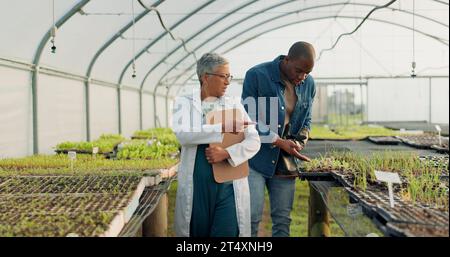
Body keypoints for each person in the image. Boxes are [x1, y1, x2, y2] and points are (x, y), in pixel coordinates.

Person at [172, 53, 261, 237]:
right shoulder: (185, 103)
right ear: (205, 77)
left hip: (229, 185)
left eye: (229, 76)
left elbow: (254, 141)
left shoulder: (235, 104)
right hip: (197, 187)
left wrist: (227, 153)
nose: (228, 81)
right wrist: (222, 127)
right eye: (223, 76)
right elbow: (183, 135)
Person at [241, 42, 316, 237]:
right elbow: (249, 119)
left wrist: (299, 142)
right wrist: (278, 141)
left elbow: (307, 119)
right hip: (255, 159)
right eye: (298, 71)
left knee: (283, 220)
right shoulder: (257, 75)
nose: (302, 77)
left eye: (306, 73)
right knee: (251, 217)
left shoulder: (309, 84)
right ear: (287, 59)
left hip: (285, 162)